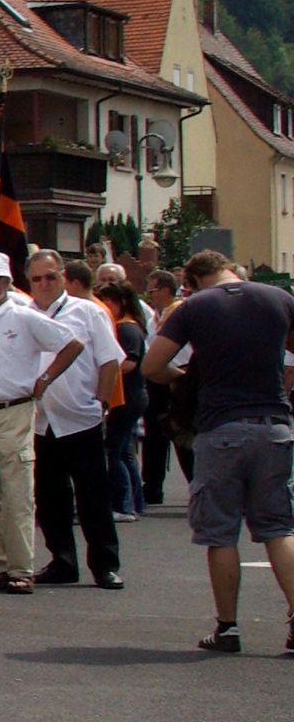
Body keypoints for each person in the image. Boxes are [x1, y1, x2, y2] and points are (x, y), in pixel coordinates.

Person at [142, 250, 294, 653]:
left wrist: (185, 379)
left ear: (193, 280)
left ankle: (227, 628)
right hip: (273, 423)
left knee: (221, 531)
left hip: (221, 426)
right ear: (232, 269)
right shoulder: (278, 298)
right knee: (278, 528)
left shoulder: (195, 307)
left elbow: (152, 366)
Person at [0, 253, 82, 595]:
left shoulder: (25, 317)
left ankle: (20, 568)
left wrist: (47, 378)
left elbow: (71, 343)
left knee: (17, 493)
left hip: (15, 411)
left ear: (6, 283)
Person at [26, 250, 127, 590]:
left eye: (50, 277)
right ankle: (62, 561)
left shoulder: (86, 312)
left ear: (63, 277)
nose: (44, 284)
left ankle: (105, 565)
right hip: (40, 421)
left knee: (93, 495)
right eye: (37, 279)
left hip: (80, 417)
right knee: (50, 496)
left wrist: (101, 401)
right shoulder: (22, 315)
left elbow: (110, 360)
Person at [95, 280, 149, 522]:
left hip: (128, 396)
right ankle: (136, 501)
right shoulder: (129, 325)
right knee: (125, 452)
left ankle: (125, 505)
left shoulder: (127, 328)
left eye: (107, 301)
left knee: (114, 452)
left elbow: (129, 362)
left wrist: (104, 369)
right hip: (133, 396)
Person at [141, 269, 188, 502]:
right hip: (158, 377)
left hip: (179, 376)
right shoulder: (154, 316)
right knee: (154, 434)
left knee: (182, 434)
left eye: (152, 290)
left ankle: (196, 483)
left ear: (166, 290)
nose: (149, 296)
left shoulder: (180, 311)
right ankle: (153, 486)